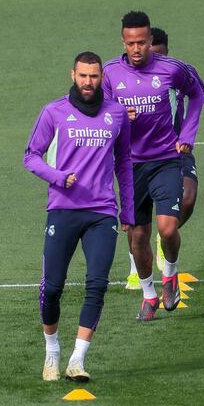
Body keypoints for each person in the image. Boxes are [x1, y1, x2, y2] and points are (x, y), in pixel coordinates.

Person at [24, 51, 134, 382]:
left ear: (102, 78)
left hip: (102, 212)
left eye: (95, 76)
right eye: (83, 76)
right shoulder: (54, 112)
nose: (89, 82)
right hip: (63, 210)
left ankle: (77, 360)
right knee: (53, 288)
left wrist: (127, 208)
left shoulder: (116, 114)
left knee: (97, 285)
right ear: (73, 75)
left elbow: (124, 162)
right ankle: (52, 352)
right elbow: (31, 156)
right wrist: (58, 177)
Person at [102, 11, 204, 321]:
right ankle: (148, 294)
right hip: (130, 166)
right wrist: (119, 117)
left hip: (165, 160)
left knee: (168, 227)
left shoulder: (171, 69)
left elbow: (197, 93)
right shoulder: (109, 73)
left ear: (150, 41)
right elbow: (101, 114)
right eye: (131, 43)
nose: (136, 49)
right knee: (137, 235)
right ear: (123, 41)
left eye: (142, 43)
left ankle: (170, 274)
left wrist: (187, 134)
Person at [125, 27, 204, 289]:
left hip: (176, 150)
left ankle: (165, 238)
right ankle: (134, 269)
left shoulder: (178, 71)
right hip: (138, 156)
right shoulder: (126, 76)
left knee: (188, 196)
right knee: (137, 221)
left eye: (157, 53)